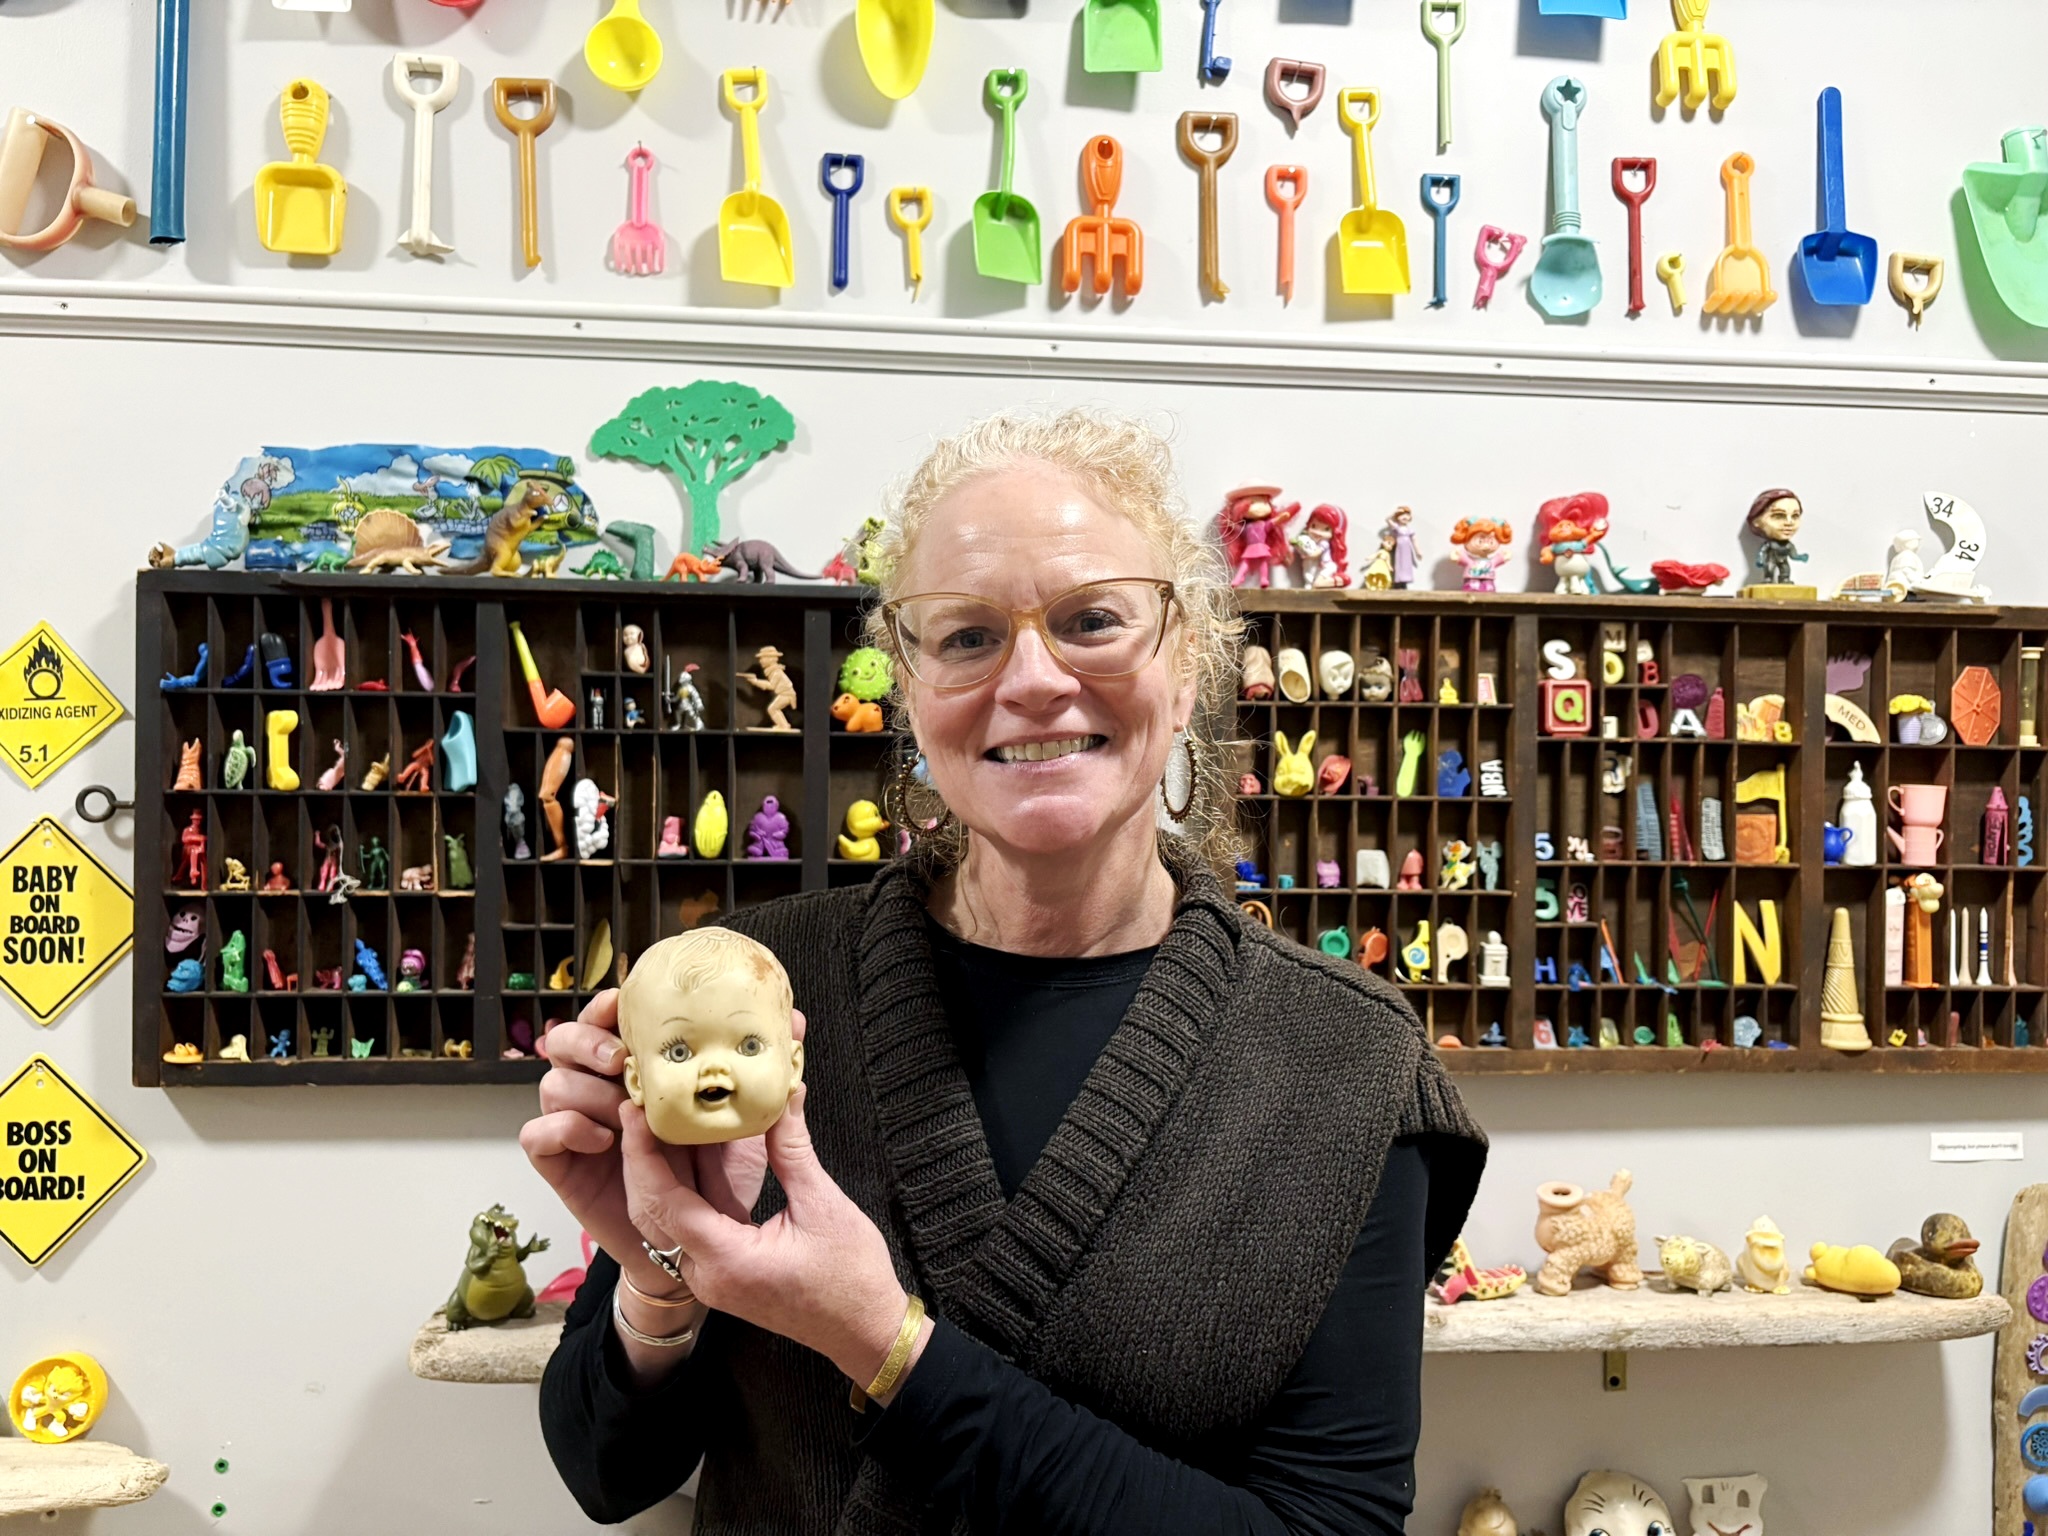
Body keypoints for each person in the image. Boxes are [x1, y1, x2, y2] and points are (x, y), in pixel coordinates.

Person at [524, 409, 1487, 1534]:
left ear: (1185, 669)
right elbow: (605, 1474)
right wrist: (656, 1278)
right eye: (968, 636)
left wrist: (885, 1347)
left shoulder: (1345, 1068)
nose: (1031, 681)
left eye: (1090, 620)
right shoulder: (759, 986)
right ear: (912, 690)